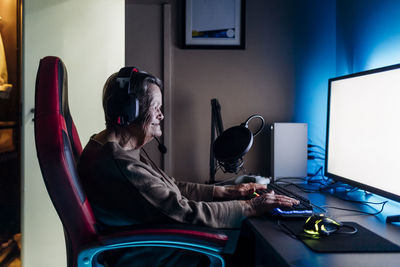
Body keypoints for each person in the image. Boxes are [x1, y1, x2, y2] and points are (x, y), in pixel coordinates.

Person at [77, 67, 299, 266]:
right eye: (156, 108)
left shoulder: (111, 148)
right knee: (260, 252)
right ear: (128, 112)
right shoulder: (121, 165)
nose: (161, 115)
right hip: (160, 256)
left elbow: (168, 187)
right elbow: (184, 211)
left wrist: (224, 191)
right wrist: (250, 207)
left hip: (157, 247)